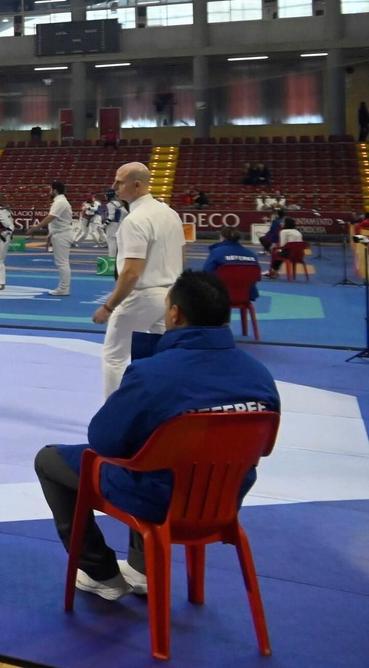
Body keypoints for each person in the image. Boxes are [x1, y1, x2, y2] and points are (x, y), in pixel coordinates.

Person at [34, 271, 279, 601]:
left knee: (50, 459)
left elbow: (104, 441)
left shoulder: (154, 373)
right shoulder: (259, 375)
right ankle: (141, 569)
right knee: (155, 454)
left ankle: (100, 572)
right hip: (225, 498)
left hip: (157, 498)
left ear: (175, 313)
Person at [93, 162, 185, 398]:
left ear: (136, 185)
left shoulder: (135, 221)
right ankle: (158, 407)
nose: (114, 187)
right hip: (170, 295)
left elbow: (132, 272)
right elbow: (181, 254)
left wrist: (108, 306)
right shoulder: (170, 214)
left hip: (142, 295)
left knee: (114, 356)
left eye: (119, 182)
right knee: (160, 356)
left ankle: (113, 414)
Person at [27, 180, 74, 297]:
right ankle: (64, 287)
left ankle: (64, 288)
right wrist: (51, 232)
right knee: (62, 262)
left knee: (62, 263)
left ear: (55, 190)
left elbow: (51, 217)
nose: (49, 192)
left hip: (62, 235)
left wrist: (36, 227)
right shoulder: (60, 202)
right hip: (59, 233)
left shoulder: (60, 202)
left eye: (50, 189)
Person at [202, 227, 261, 300]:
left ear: (222, 238)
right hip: (246, 294)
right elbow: (256, 277)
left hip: (219, 294)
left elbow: (206, 272)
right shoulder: (252, 255)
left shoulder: (217, 252)